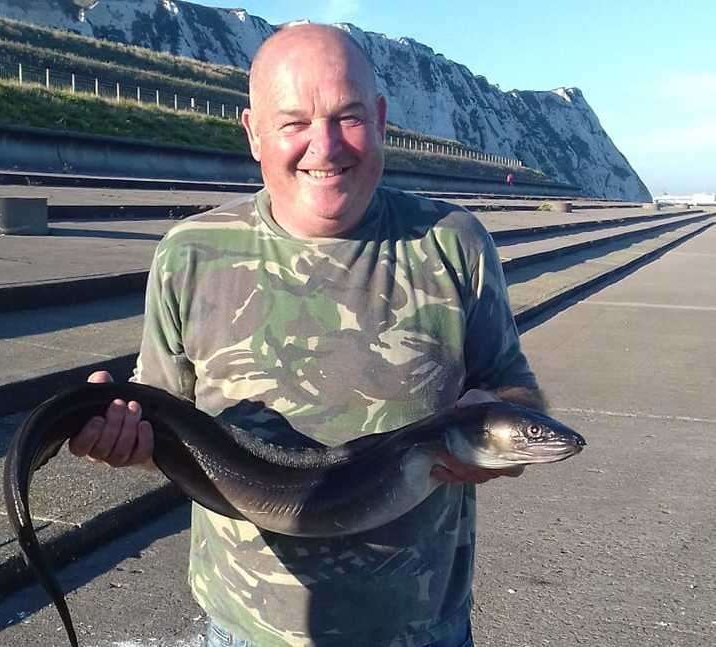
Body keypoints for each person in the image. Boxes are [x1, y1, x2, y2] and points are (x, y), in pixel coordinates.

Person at [69, 24, 544, 647]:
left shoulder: (452, 241)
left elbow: (519, 399)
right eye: (293, 122)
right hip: (244, 631)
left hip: (421, 630)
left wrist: (500, 438)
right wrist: (119, 432)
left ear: (378, 119)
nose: (324, 145)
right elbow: (161, 410)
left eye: (347, 116)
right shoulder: (191, 253)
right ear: (253, 132)